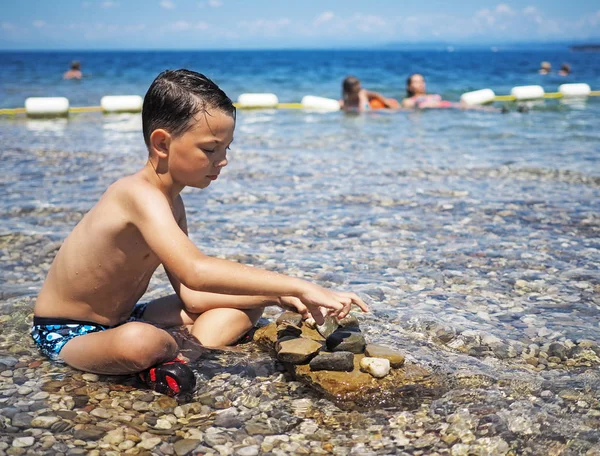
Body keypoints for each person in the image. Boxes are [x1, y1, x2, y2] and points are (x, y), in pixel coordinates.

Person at [31, 69, 368, 399]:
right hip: (67, 331)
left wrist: (278, 297)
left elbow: (191, 294)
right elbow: (196, 270)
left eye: (226, 149)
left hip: (125, 315)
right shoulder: (135, 194)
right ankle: (173, 350)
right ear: (162, 143)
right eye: (210, 149)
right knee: (140, 341)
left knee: (247, 305)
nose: (221, 161)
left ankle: (176, 359)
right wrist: (299, 285)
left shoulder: (172, 202)